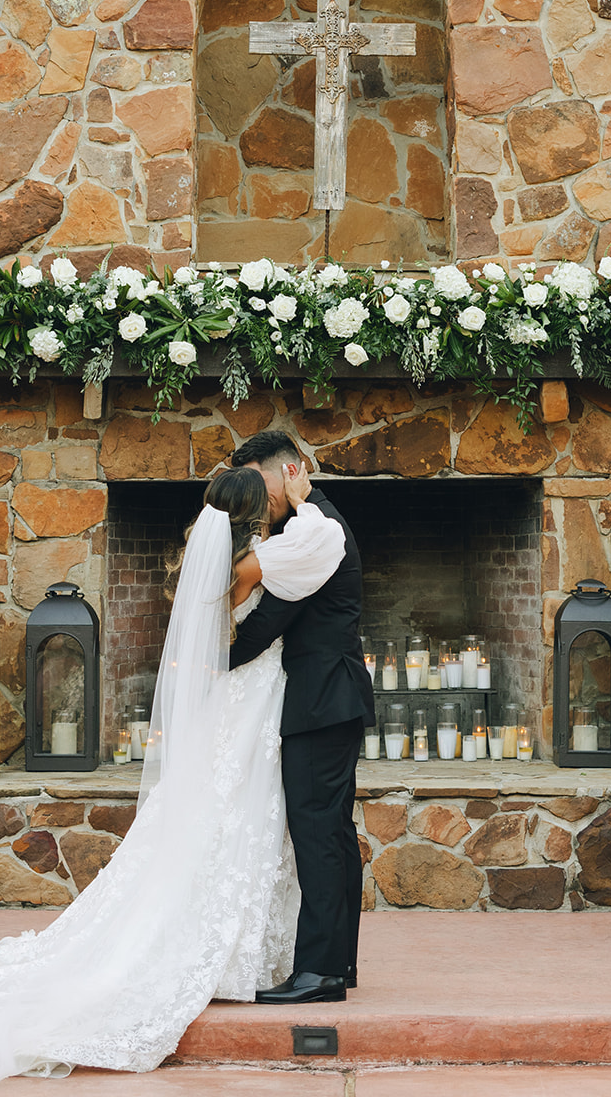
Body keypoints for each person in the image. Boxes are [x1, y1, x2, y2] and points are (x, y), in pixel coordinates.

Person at [0, 465, 345, 1083]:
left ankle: (237, 946)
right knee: (238, 820)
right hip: (252, 701)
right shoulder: (259, 562)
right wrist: (306, 502)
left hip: (239, 704)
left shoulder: (221, 562)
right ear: (256, 516)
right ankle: (229, 952)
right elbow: (323, 543)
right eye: (270, 500)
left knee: (221, 822)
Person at [229, 430, 375, 1005]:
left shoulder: (315, 531)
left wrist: (210, 659)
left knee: (318, 834)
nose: (260, 501)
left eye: (261, 485)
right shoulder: (307, 525)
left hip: (320, 702)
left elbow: (271, 621)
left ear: (291, 470)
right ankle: (337, 963)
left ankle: (317, 973)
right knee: (333, 833)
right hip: (330, 699)